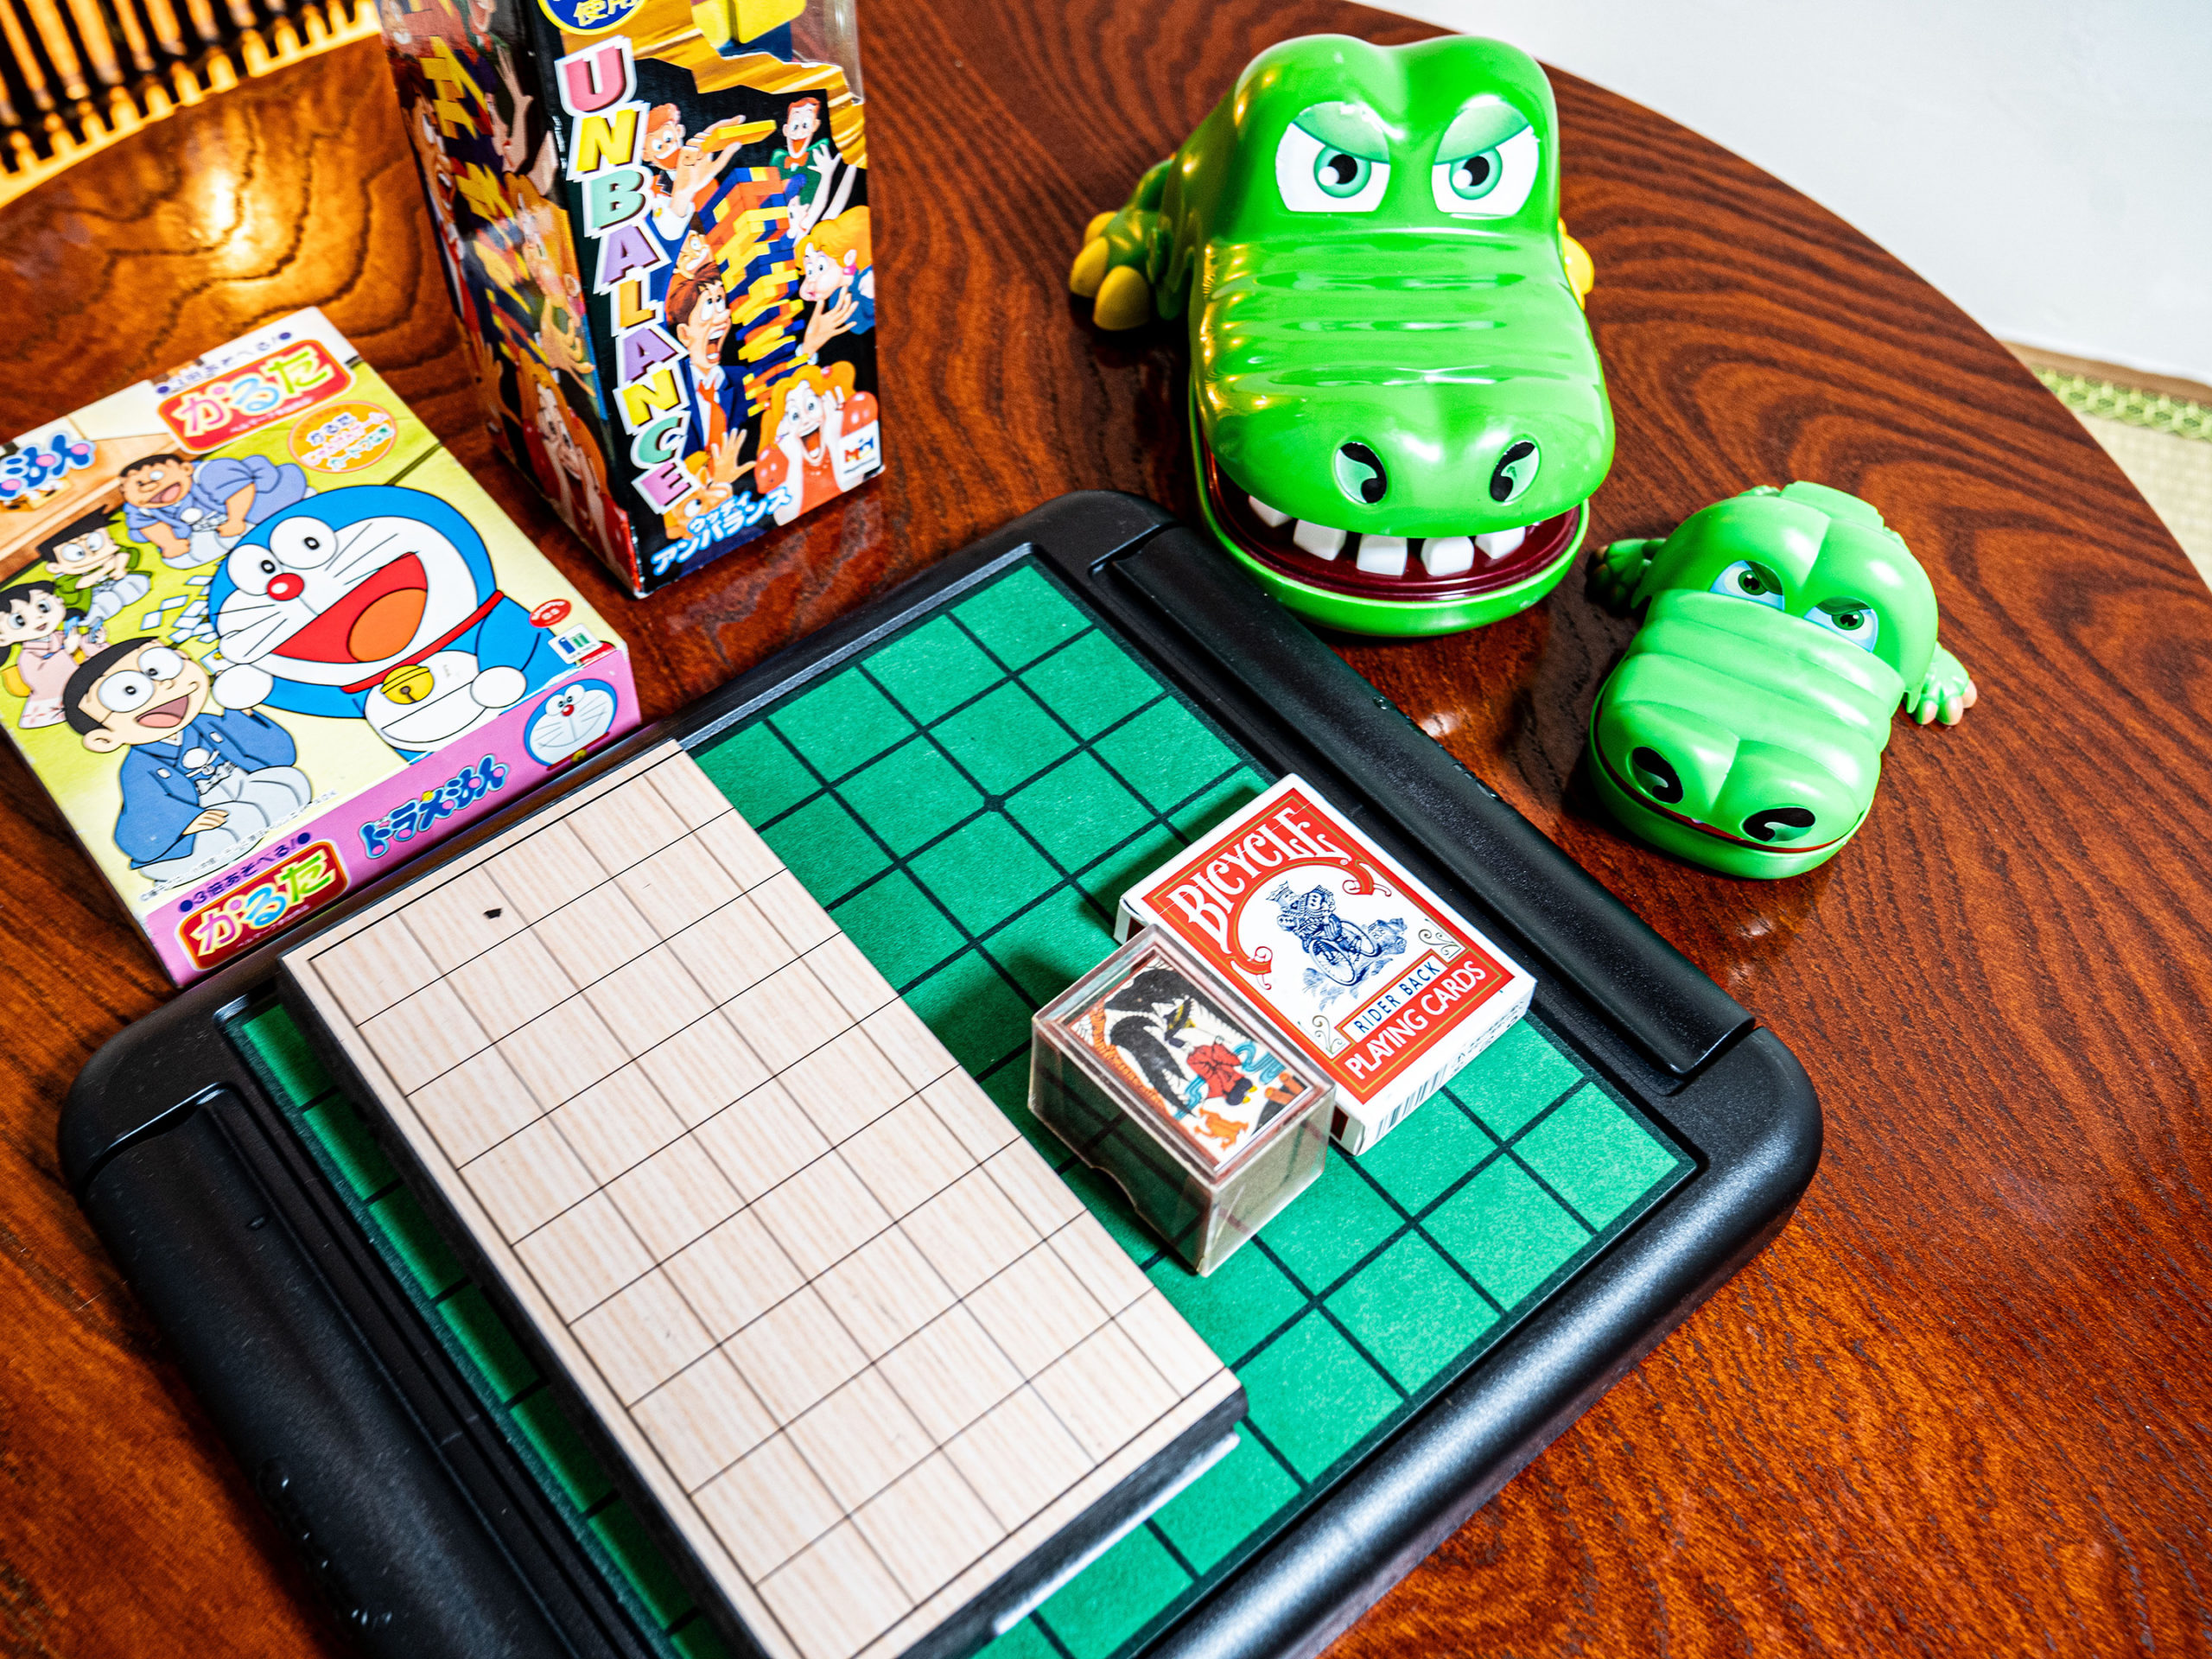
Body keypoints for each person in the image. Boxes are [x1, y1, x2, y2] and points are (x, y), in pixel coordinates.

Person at [65, 637, 310, 885]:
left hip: (239, 787)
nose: (165, 684)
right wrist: (184, 822)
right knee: (227, 830)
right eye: (130, 691)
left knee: (288, 780)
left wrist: (241, 713)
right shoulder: (139, 767)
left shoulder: (205, 723)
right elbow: (143, 814)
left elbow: (277, 756)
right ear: (104, 739)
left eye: (160, 668)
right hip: (199, 816)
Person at [118, 451, 312, 570]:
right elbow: (149, 525)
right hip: (211, 526)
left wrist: (235, 520)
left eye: (157, 475)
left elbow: (240, 490)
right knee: (177, 559)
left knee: (271, 513)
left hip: (250, 504)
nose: (151, 486)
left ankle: (298, 501)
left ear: (185, 469)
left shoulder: (209, 473)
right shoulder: (141, 509)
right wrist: (170, 544)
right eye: (139, 484)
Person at [39, 508, 153, 635]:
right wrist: (106, 569)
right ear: (55, 567)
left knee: (137, 581)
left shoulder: (108, 556)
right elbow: (82, 583)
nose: (91, 554)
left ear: (111, 541)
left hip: (112, 586)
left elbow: (125, 553)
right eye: (77, 553)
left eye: (94, 544)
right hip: (90, 605)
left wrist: (119, 568)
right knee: (106, 601)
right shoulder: (64, 579)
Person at [0, 579, 97, 728]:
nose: (38, 618)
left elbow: (89, 655)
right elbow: (44, 681)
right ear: (2, 637)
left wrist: (93, 641)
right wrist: (67, 651)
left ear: (58, 601)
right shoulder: (28, 657)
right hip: (53, 705)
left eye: (43, 607)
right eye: (19, 620)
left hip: (83, 689)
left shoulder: (60, 636)